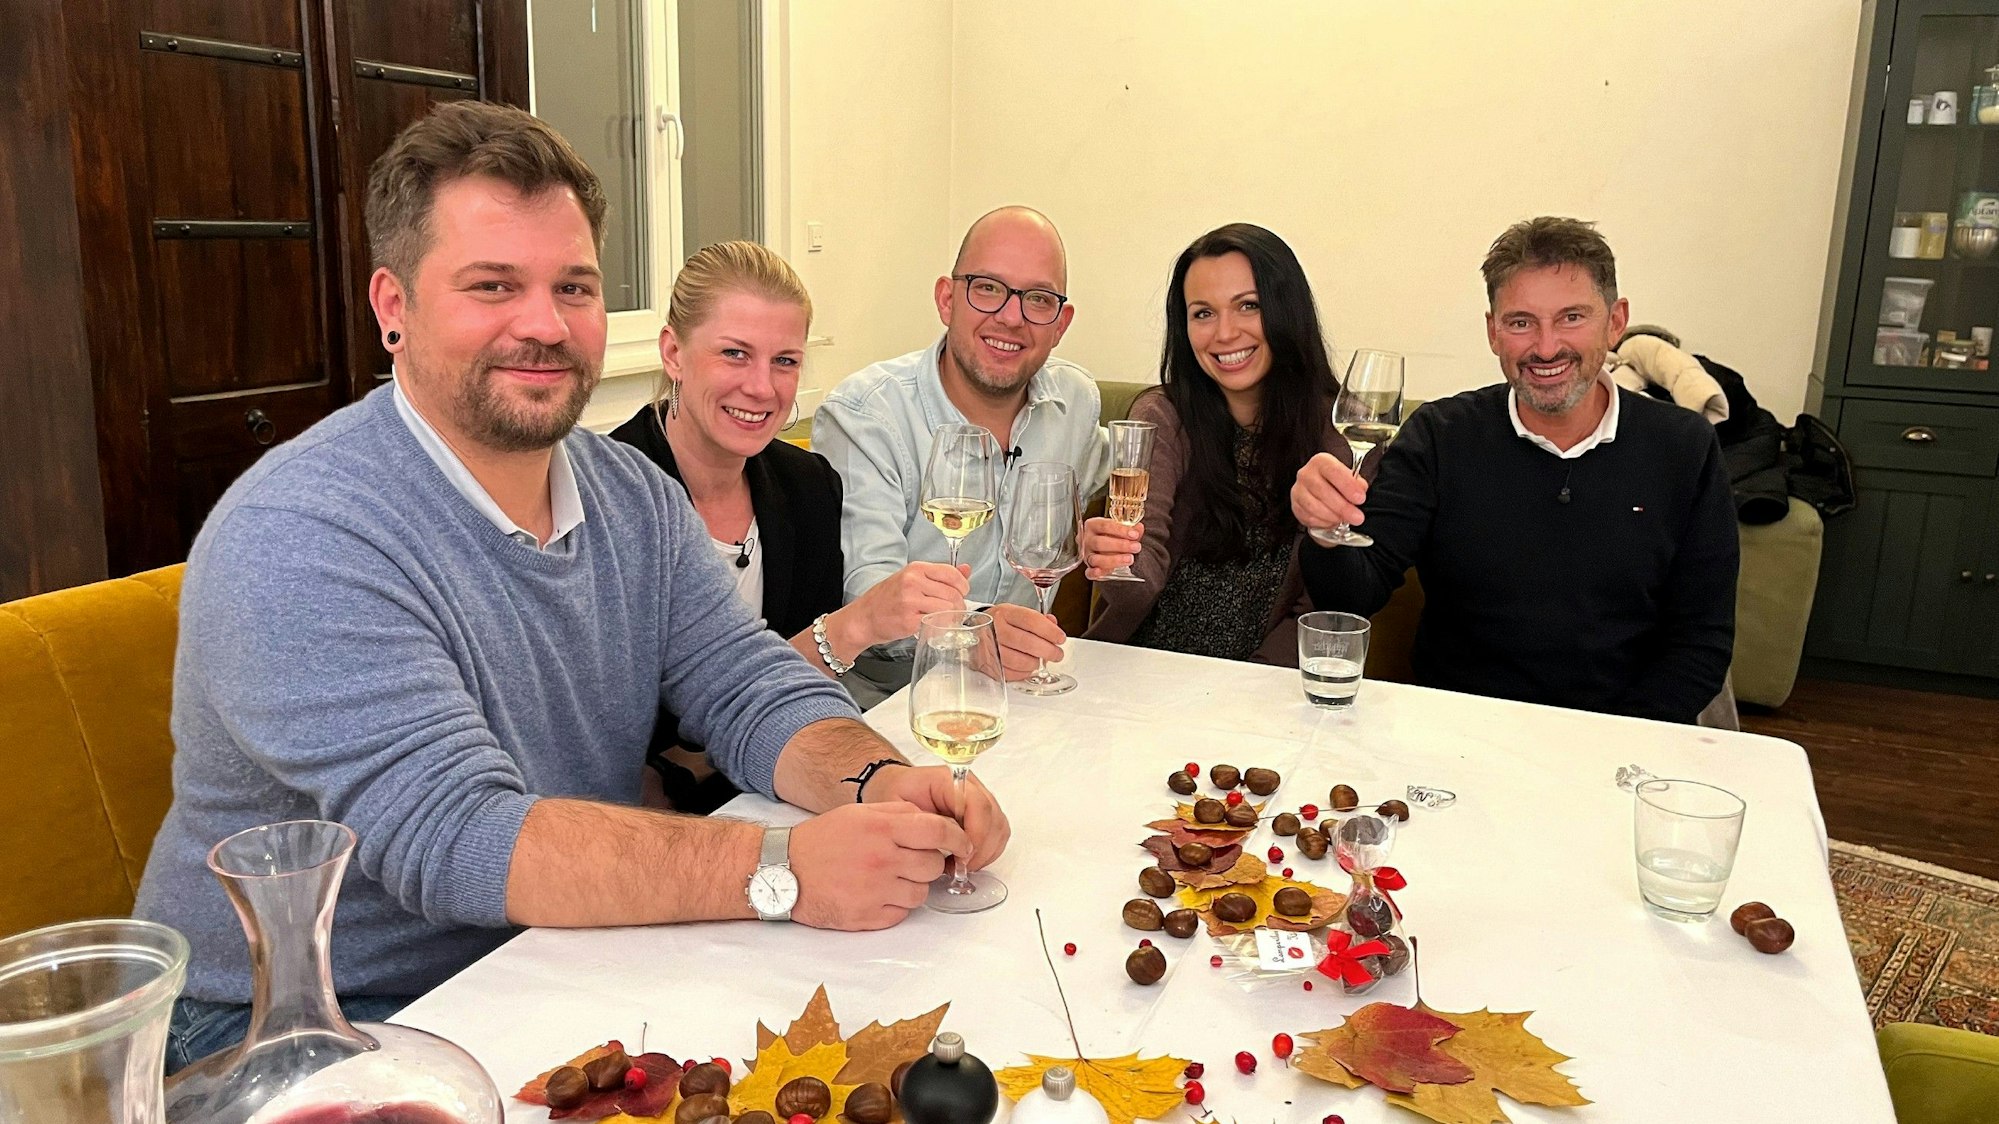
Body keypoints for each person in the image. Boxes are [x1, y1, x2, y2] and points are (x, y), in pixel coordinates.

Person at [135, 101, 1008, 1073]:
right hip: (291, 1016)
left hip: (547, 952)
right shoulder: (301, 530)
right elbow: (456, 831)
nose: (545, 324)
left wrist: (883, 783)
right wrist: (784, 870)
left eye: (574, 286)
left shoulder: (628, 492)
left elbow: (748, 684)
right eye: (492, 285)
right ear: (393, 307)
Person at [1281, 216, 1737, 723]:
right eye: (1521, 322)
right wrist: (1325, 532)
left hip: (1618, 739)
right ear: (1493, 332)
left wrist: (1617, 742)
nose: (1546, 348)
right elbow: (1353, 594)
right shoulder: (1440, 435)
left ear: (1615, 321)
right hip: (1458, 731)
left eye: (1571, 318)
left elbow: (1701, 642)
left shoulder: (1684, 446)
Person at [610, 241, 972, 810]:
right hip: (651, 818)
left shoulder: (808, 486)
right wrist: (853, 627)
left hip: (781, 791)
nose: (762, 387)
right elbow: (647, 738)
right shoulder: (607, 497)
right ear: (673, 353)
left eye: (785, 360)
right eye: (734, 353)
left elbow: (802, 700)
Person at [814, 206, 1112, 701]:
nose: (1011, 317)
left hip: (1022, 698)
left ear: (1061, 323)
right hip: (886, 705)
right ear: (947, 299)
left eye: (1038, 299)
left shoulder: (1074, 404)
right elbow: (869, 588)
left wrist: (1107, 536)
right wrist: (974, 631)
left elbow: (1122, 476)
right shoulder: (866, 415)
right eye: (988, 288)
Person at [1079, 224, 1339, 663]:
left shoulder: (1339, 434)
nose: (1224, 333)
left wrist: (1238, 702)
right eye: (1203, 313)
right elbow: (1136, 584)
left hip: (1262, 694)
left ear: (1285, 311)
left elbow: (1318, 612)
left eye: (1248, 306)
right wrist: (1112, 562)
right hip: (1138, 674)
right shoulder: (1160, 417)